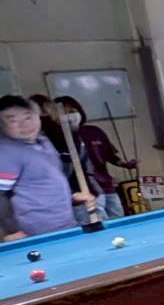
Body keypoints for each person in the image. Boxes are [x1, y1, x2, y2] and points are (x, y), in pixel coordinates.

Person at [0, 94, 96, 239]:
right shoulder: (7, 152)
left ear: (37, 116)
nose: (24, 125)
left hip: (66, 225)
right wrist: (12, 230)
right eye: (12, 120)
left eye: (28, 117)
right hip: (36, 234)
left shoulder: (43, 142)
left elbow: (43, 183)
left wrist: (73, 196)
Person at [55, 95, 134, 218]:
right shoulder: (58, 140)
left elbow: (111, 155)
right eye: (65, 113)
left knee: (119, 221)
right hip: (86, 192)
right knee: (98, 223)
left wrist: (126, 164)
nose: (71, 116)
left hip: (107, 187)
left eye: (73, 111)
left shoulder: (94, 131)